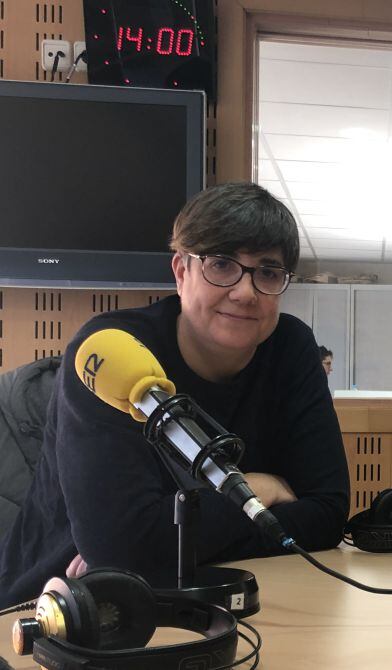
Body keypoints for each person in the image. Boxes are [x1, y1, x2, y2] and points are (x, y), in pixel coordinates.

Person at [0, 183, 349, 607]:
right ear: (181, 271)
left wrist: (161, 541)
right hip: (63, 604)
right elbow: (122, 551)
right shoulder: (111, 350)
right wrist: (256, 490)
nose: (245, 291)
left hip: (233, 595)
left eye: (268, 272)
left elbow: (327, 516)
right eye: (221, 264)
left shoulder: (291, 347)